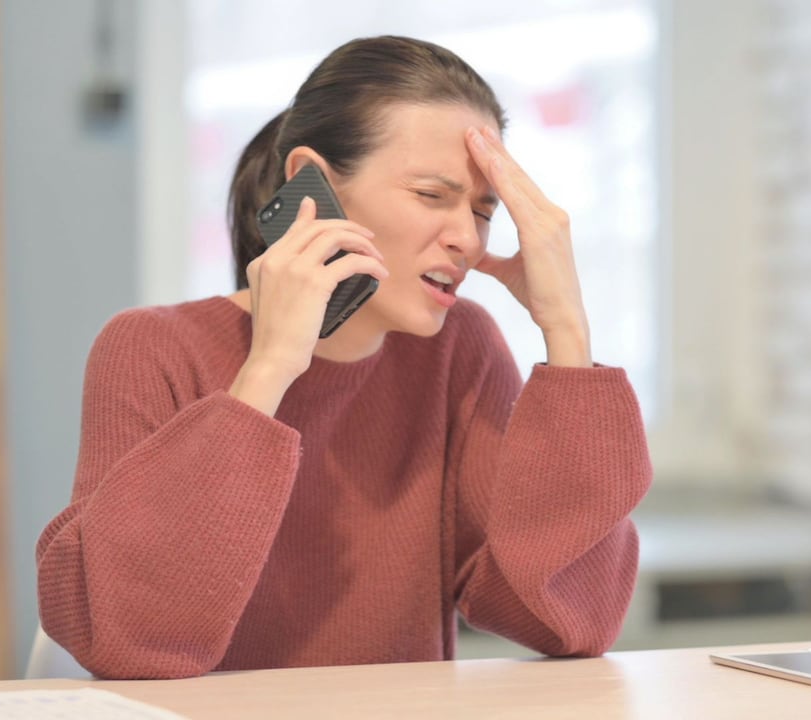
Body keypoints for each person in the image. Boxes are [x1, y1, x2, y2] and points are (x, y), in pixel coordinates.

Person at [35, 35, 651, 680]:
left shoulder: (457, 350)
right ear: (314, 185)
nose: (467, 239)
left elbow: (570, 621)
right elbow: (124, 640)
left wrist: (567, 334)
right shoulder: (153, 348)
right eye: (432, 196)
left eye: (482, 210)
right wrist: (270, 367)